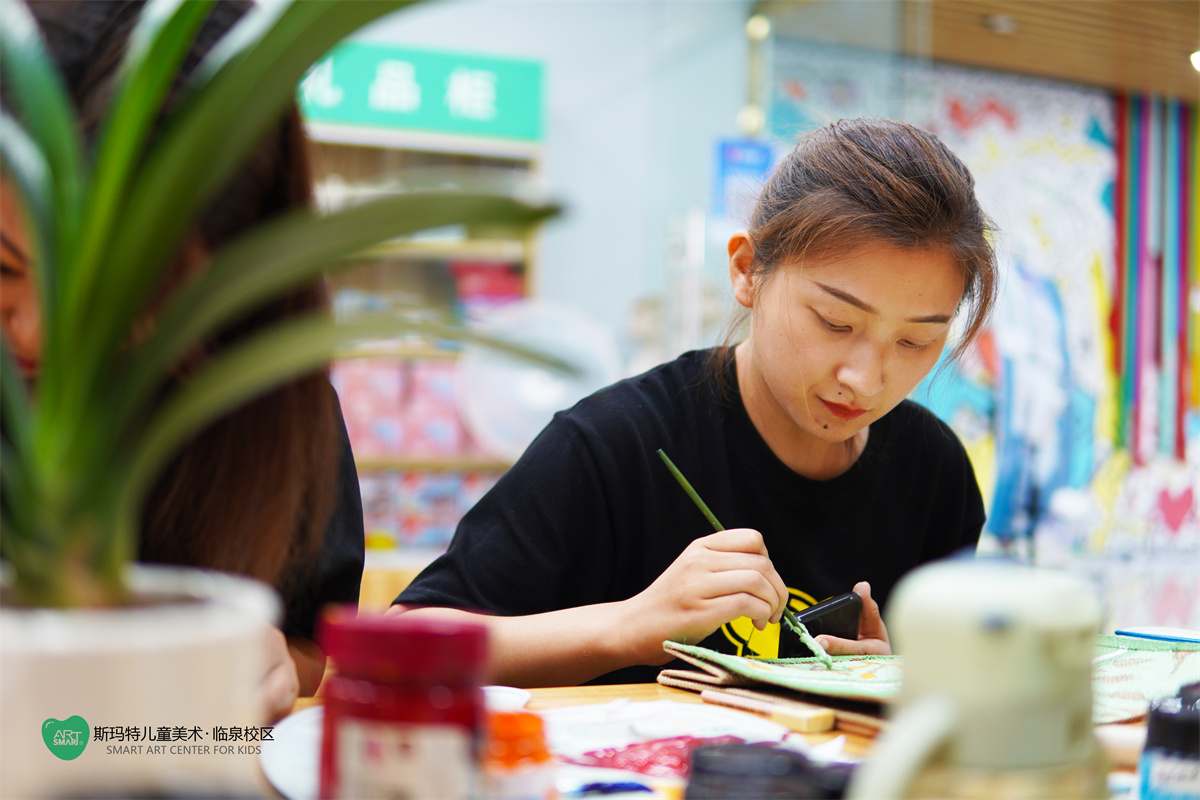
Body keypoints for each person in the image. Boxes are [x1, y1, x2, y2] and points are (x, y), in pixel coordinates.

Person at [391, 118, 997, 687]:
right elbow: (400, 644)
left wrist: (886, 679)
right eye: (835, 322)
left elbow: (951, 689)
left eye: (915, 341)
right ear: (747, 270)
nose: (864, 379)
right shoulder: (616, 441)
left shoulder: (934, 471)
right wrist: (626, 626)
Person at [0, 0, 364, 721]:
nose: (35, 335)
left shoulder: (262, 396)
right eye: (3, 269)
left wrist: (258, 664)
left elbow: (307, 647)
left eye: (123, 296)